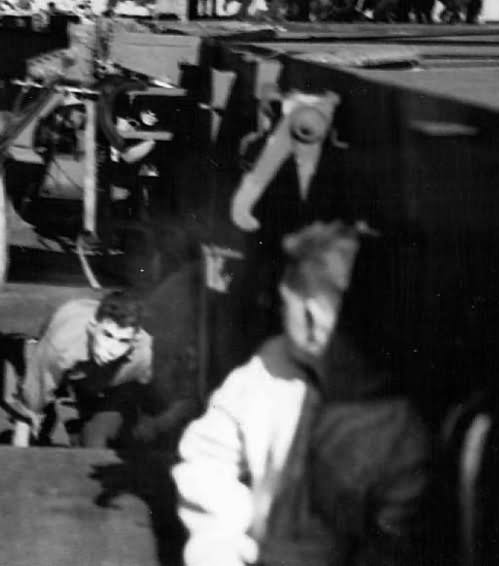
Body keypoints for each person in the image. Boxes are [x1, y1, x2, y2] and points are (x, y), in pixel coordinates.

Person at [175, 223, 430, 566]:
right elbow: (207, 456)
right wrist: (219, 544)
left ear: (312, 318)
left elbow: (394, 540)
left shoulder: (397, 426)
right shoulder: (266, 371)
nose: (281, 315)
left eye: (285, 305)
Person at [13, 289, 155, 448]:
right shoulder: (61, 346)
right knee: (40, 391)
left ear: (135, 340)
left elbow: (149, 396)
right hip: (67, 323)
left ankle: (81, 425)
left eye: (123, 341)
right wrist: (20, 448)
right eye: (107, 335)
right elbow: (29, 408)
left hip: (105, 380)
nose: (111, 349)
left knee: (97, 441)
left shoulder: (145, 355)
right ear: (93, 328)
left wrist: (148, 421)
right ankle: (25, 350)